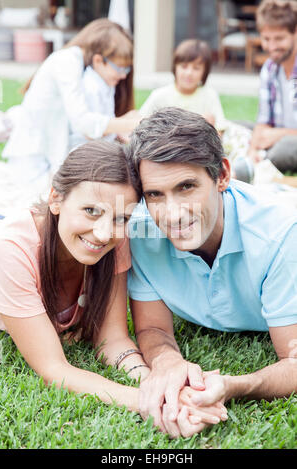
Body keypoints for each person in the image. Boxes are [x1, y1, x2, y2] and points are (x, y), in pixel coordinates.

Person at [0, 139, 227, 437]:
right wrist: (150, 402)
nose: (104, 233)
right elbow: (54, 369)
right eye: (91, 210)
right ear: (56, 198)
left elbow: (114, 340)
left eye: (121, 218)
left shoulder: (115, 240)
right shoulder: (12, 251)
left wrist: (159, 384)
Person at [127, 107, 297, 438]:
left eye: (187, 186)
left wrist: (235, 385)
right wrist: (169, 364)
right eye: (155, 195)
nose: (172, 213)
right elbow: (151, 328)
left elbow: (292, 359)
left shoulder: (279, 236)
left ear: (222, 176)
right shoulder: (139, 233)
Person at [1, 18, 140, 194]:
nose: (122, 76)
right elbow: (82, 122)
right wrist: (129, 123)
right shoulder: (68, 62)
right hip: (33, 156)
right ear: (99, 58)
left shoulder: (87, 72)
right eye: (119, 68)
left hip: (47, 152)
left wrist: (117, 128)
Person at [139, 38, 254, 183]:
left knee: (242, 131)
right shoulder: (160, 95)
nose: (189, 73)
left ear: (204, 72)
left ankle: (241, 166)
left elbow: (218, 133)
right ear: (175, 67)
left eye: (196, 68)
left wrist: (209, 126)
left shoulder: (208, 95)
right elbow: (141, 125)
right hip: (170, 148)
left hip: (201, 148)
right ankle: (233, 174)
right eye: (184, 66)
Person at [248, 0, 297, 173]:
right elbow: (263, 121)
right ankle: (255, 160)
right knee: (233, 128)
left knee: (285, 148)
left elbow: (274, 134)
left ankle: (263, 161)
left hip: (288, 143)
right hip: (274, 138)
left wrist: (279, 134)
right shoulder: (270, 68)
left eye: (279, 39)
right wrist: (252, 149)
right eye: (266, 39)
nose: (271, 46)